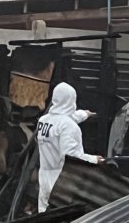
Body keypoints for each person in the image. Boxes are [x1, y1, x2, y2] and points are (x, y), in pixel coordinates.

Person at [36, 83, 103, 212]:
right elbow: (72, 157)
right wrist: (94, 160)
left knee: (43, 217)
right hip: (63, 183)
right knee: (60, 221)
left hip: (45, 178)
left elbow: (62, 121)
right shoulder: (69, 127)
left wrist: (84, 114)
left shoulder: (43, 121)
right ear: (71, 100)